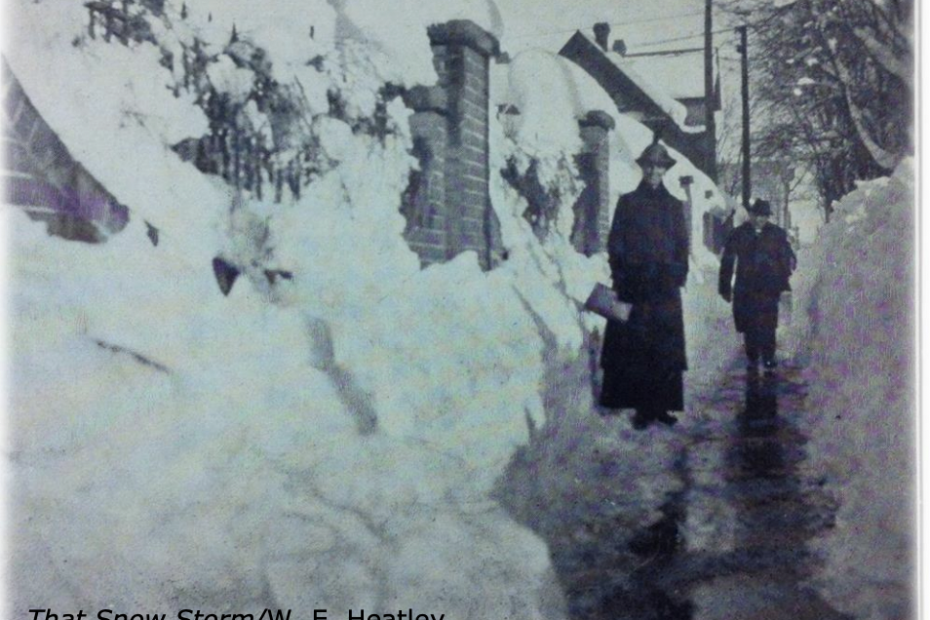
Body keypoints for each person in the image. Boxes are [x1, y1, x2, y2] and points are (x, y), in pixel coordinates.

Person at [599, 136, 689, 430]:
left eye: (659, 167)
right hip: (635, 286)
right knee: (637, 348)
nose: (653, 172)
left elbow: (681, 246)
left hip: (664, 288)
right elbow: (616, 243)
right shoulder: (628, 203)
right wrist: (622, 274)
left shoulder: (675, 206)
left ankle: (662, 406)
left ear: (666, 170)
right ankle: (641, 406)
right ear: (642, 169)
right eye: (649, 166)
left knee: (664, 349)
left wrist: (676, 274)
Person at [718, 198, 796, 373]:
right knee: (749, 323)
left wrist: (784, 281)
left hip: (769, 286)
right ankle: (752, 357)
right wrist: (724, 286)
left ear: (768, 217)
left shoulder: (777, 234)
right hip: (746, 286)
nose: (760, 219)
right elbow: (728, 260)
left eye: (764, 216)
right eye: (757, 215)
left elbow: (786, 257)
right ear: (751, 215)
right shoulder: (738, 234)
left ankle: (768, 357)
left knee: (768, 323)